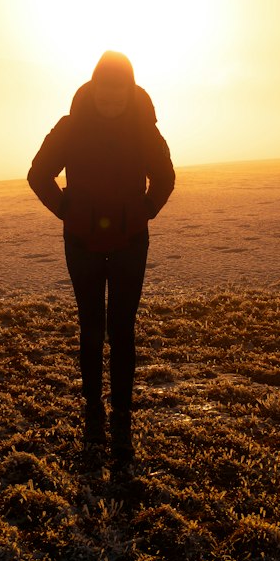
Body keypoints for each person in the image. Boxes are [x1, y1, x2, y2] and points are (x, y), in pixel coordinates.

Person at [28, 51, 175, 462]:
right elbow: (38, 173)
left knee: (122, 330)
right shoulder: (70, 128)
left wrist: (144, 212)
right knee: (91, 329)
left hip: (130, 242)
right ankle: (94, 412)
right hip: (81, 242)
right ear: (92, 90)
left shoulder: (145, 130)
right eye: (103, 98)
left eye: (119, 98)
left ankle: (122, 419)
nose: (110, 106)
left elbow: (165, 176)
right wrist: (65, 210)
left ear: (130, 92)